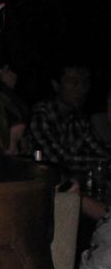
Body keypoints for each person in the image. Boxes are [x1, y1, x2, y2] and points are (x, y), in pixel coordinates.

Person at [22, 63, 111, 217]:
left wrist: (103, 161)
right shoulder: (41, 115)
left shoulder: (79, 118)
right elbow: (60, 161)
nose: (81, 89)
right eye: (74, 82)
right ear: (56, 85)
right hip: (41, 197)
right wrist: (100, 163)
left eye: (85, 83)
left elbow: (99, 150)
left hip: (73, 192)